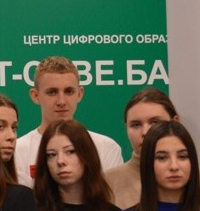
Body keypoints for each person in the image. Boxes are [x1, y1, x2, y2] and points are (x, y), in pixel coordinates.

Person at [106, 89, 200, 208]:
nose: (145, 132)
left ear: (175, 122)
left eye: (155, 122)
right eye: (136, 125)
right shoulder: (107, 183)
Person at [15, 56, 123, 186]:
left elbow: (111, 197)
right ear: (35, 96)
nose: (61, 101)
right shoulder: (17, 151)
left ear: (80, 94)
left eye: (69, 91)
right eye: (52, 92)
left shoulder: (107, 147)